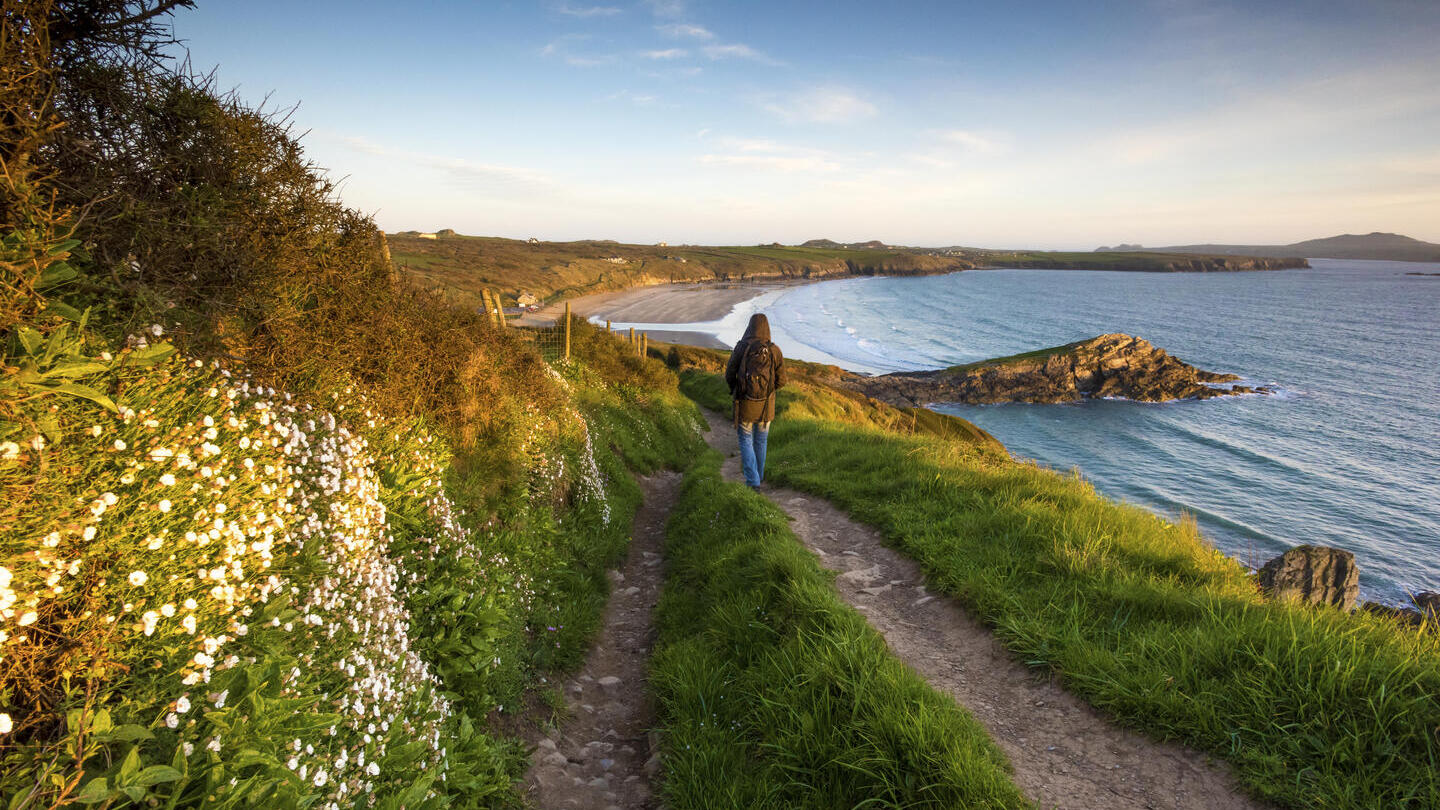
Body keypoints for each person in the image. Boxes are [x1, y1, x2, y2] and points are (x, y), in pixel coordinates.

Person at [725, 313, 786, 488]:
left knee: (745, 439)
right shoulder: (774, 350)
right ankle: (758, 478)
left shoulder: (741, 347)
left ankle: (753, 482)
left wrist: (735, 389)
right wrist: (769, 392)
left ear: (749, 327)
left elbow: (729, 374)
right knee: (761, 440)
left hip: (745, 403)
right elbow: (782, 380)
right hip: (767, 406)